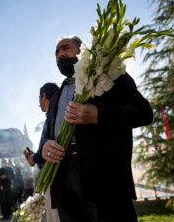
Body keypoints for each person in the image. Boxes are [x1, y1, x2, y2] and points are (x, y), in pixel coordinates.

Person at [37, 35, 153, 222]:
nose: (60, 55)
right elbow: (46, 136)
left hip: (105, 180)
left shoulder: (107, 73)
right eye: (56, 52)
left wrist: (99, 114)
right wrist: (44, 147)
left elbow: (144, 112)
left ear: (82, 50)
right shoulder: (56, 97)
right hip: (64, 183)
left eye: (65, 48)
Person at [24, 82, 60, 222]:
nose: (39, 104)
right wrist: (36, 157)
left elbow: (54, 147)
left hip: (56, 179)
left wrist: (36, 157)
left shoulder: (56, 115)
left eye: (39, 99)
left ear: (43, 96)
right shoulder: (53, 114)